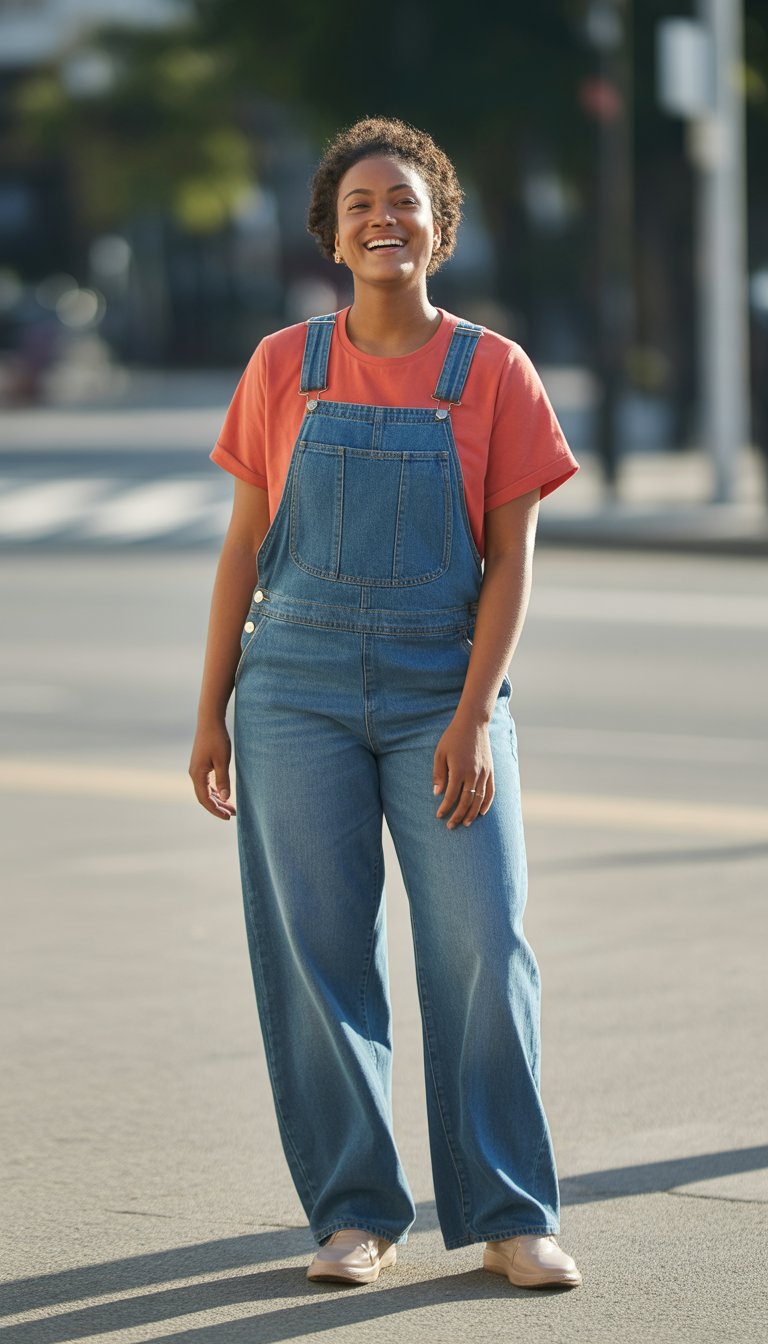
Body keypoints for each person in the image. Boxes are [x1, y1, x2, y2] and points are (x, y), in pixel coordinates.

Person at [189, 116, 582, 1291]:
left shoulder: (494, 369)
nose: (383, 220)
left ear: (439, 227)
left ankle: (511, 1215)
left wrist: (472, 715)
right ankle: (356, 1212)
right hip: (291, 693)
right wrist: (210, 712)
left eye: (404, 202)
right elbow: (243, 550)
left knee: (483, 945)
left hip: (439, 693)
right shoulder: (282, 366)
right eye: (361, 203)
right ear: (331, 231)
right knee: (316, 953)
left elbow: (511, 560)